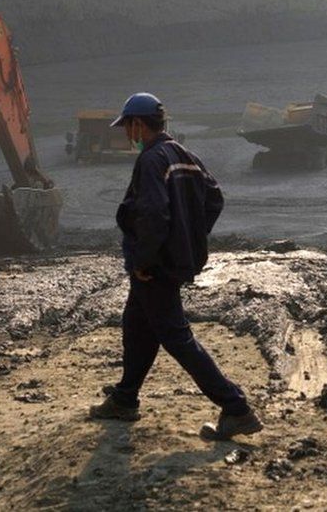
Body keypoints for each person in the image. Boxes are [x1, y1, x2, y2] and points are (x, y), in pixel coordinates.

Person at [89, 92, 263, 440]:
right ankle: (125, 398)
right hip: (171, 261)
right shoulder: (185, 155)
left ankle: (236, 408)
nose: (126, 134)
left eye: (126, 126)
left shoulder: (151, 159)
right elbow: (214, 198)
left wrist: (144, 259)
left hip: (155, 267)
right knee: (137, 326)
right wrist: (190, 236)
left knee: (176, 337)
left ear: (138, 125)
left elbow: (153, 214)